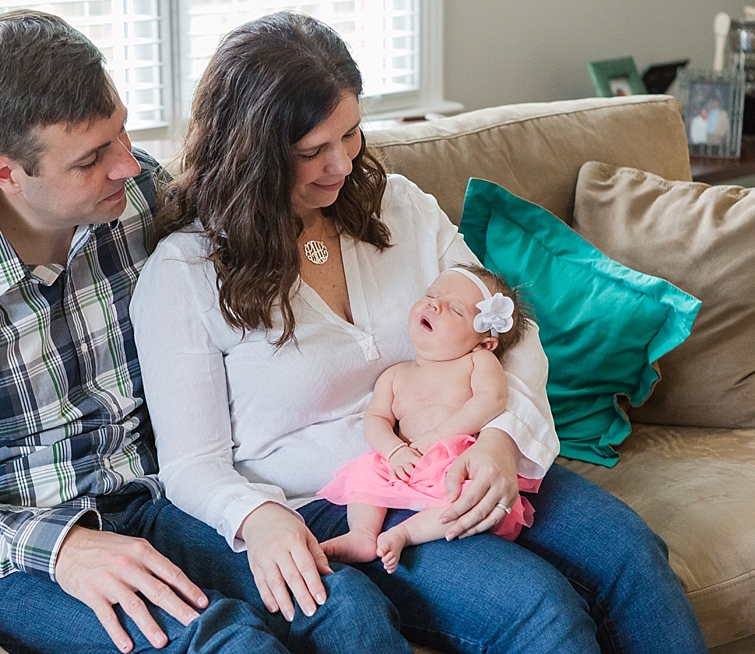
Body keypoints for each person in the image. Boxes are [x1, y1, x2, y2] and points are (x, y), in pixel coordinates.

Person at [132, 11, 708, 654]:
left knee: (632, 555)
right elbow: (190, 466)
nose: (341, 164)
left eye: (350, 135)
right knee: (540, 608)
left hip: (464, 453)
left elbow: (506, 329)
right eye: (309, 152)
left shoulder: (398, 205)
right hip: (334, 498)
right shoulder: (184, 274)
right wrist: (257, 517)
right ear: (252, 156)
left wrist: (499, 437)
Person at [0, 10, 409, 654]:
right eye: (91, 159)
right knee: (230, 646)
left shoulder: (140, 197)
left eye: (120, 131)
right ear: (5, 171)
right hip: (21, 548)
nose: (127, 165)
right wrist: (62, 548)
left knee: (348, 611)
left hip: (158, 499)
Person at [317, 264, 540, 574]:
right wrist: (393, 450)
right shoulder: (394, 375)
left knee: (470, 495)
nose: (434, 304)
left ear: (484, 341)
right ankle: (362, 535)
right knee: (364, 472)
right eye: (431, 295)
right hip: (403, 461)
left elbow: (492, 400)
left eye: (455, 310)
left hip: (454, 461)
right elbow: (377, 418)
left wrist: (439, 434)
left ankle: (405, 533)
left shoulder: (478, 361)